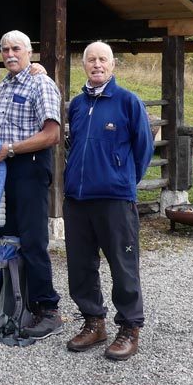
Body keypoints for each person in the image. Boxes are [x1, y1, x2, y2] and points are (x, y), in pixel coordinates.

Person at [63, 42, 154, 361]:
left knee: (123, 265)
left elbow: (144, 149)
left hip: (115, 200)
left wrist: (123, 179)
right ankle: (93, 322)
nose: (97, 64)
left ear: (113, 64)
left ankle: (129, 328)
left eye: (103, 59)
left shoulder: (128, 102)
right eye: (91, 60)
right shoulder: (76, 104)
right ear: (84, 65)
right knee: (80, 265)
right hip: (77, 200)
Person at [0, 30, 63, 339]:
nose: (9, 54)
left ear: (29, 52)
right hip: (6, 167)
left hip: (30, 165)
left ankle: (48, 310)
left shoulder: (40, 83)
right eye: (4, 50)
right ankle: (15, 304)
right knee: (9, 238)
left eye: (16, 48)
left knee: (32, 241)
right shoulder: (3, 86)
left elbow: (52, 134)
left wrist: (11, 149)